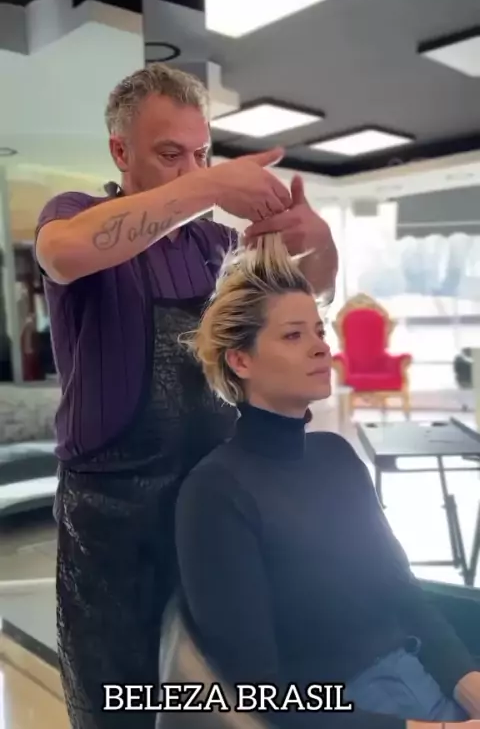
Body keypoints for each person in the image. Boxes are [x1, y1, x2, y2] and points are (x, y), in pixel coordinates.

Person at [35, 63, 337, 729]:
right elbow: (63, 254)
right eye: (170, 154)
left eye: (201, 154)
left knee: (211, 692)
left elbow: (309, 293)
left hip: (212, 498)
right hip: (108, 515)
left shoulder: (218, 247)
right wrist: (210, 185)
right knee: (117, 696)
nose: (190, 169)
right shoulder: (77, 214)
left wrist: (320, 242)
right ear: (120, 151)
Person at [176, 234, 480, 729]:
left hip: (426, 678)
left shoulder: (337, 457)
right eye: (293, 336)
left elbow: (404, 594)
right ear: (241, 360)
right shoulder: (214, 494)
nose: (321, 346)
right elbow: (261, 692)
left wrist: (470, 688)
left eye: (319, 330)